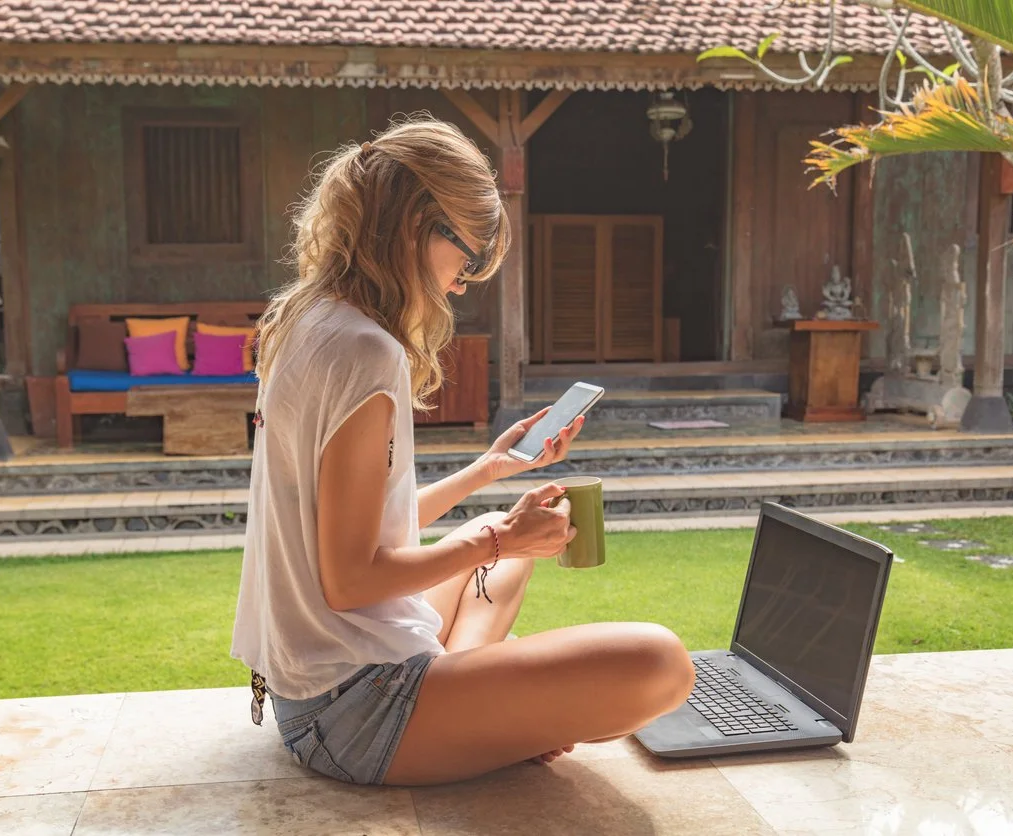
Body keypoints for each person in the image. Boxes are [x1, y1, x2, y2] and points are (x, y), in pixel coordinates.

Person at [231, 116, 695, 788]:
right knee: (660, 662)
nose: (465, 281)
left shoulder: (307, 319)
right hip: (352, 712)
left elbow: (348, 529)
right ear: (416, 228)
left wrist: (489, 471)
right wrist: (500, 541)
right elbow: (349, 579)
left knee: (490, 541)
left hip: (311, 687)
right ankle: (482, 714)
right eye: (469, 256)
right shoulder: (366, 351)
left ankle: (479, 710)